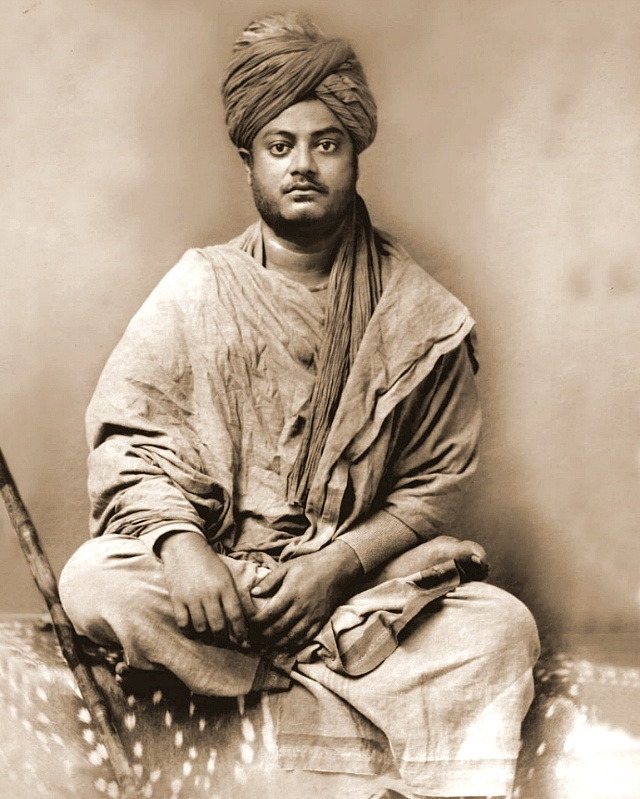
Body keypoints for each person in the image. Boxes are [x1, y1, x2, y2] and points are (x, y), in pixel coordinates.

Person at [59, 12, 540, 799]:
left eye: (326, 143)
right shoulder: (197, 288)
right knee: (97, 578)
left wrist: (330, 569)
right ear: (249, 160)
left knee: (499, 627)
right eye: (280, 146)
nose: (304, 165)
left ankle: (271, 697)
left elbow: (432, 489)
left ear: (355, 153)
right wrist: (183, 549)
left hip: (354, 589)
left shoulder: (422, 315)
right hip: (225, 592)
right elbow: (129, 445)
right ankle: (334, 692)